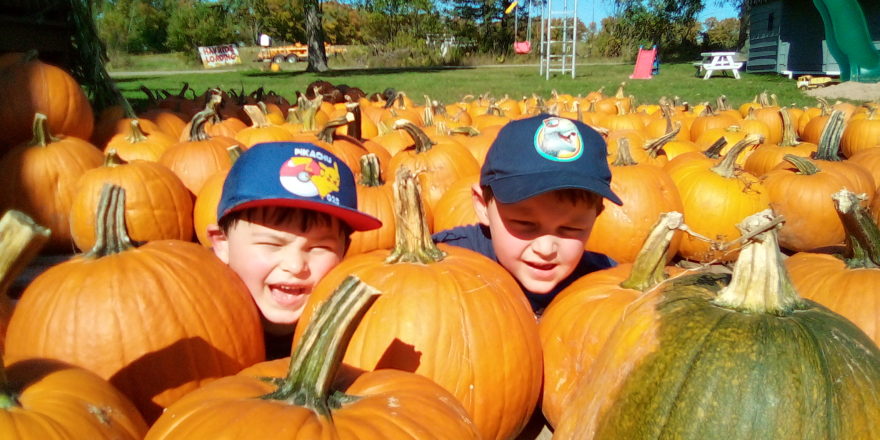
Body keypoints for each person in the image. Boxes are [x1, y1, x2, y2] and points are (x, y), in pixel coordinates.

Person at [433, 114, 622, 316]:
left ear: (595, 217)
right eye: (524, 224)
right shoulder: (443, 264)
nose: (546, 249)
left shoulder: (604, 283)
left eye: (570, 229)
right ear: (482, 206)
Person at [208, 142, 381, 359]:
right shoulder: (196, 319)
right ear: (222, 243)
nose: (295, 266)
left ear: (344, 251)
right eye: (272, 244)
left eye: (319, 247)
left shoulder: (360, 332)